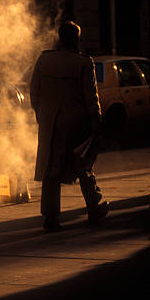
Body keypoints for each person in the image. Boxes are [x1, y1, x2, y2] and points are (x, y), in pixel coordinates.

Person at [30, 21, 109, 232]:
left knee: (51, 170)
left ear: (59, 37)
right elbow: (91, 97)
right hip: (75, 123)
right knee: (83, 165)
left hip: (50, 124)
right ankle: (94, 207)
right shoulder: (83, 63)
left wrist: (42, 115)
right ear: (76, 39)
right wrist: (96, 122)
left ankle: (50, 217)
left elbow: (34, 92)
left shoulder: (44, 59)